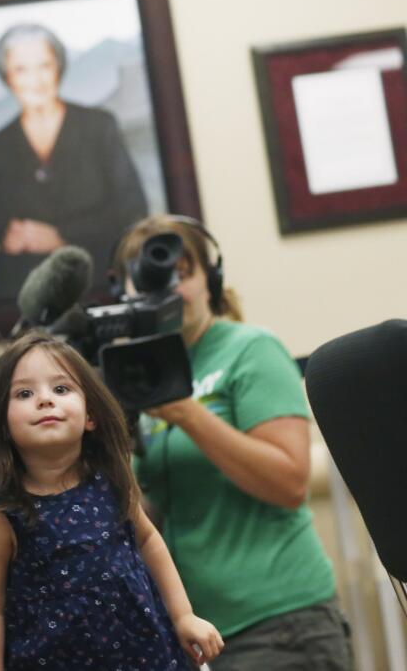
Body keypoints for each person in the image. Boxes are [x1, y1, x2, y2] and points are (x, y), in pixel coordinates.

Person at [117, 214, 351, 670]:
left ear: (212, 281)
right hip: (200, 633)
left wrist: (186, 413)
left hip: (282, 625)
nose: (167, 290)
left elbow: (289, 482)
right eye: (149, 281)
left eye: (181, 275)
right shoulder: (137, 374)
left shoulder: (250, 349)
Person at [0, 331, 223, 670]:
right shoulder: (4, 515)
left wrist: (183, 616)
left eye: (61, 389)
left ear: (90, 415)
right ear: (3, 424)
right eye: (24, 393)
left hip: (147, 655)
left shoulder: (112, 481)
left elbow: (148, 539)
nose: (45, 400)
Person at [0, 22, 148, 301]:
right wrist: (9, 234)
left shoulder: (99, 126)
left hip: (96, 273)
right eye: (22, 69)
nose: (36, 79)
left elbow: (132, 208)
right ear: (7, 78)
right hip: (23, 281)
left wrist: (60, 235)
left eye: (44, 65)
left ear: (59, 68)